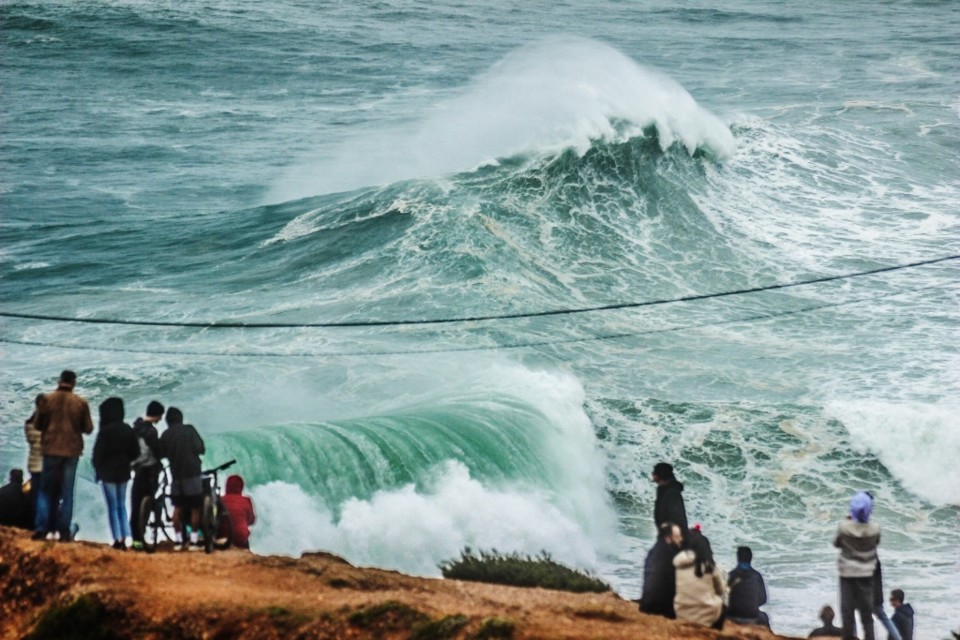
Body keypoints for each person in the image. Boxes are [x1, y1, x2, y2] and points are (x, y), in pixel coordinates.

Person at [33, 370, 94, 542]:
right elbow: (88, 428)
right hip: (71, 452)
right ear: (73, 383)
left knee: (46, 491)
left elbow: (37, 425)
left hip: (51, 450)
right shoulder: (80, 403)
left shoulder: (47, 400)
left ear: (59, 381)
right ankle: (63, 532)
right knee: (67, 493)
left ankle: (42, 529)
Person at [92, 397, 140, 550]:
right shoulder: (127, 429)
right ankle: (128, 537)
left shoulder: (104, 431)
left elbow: (97, 456)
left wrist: (98, 470)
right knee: (121, 506)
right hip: (124, 472)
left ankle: (117, 539)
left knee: (112, 507)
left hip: (108, 474)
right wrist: (126, 461)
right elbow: (136, 452)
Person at [834, 491, 880, 640]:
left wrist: (848, 522)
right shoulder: (875, 529)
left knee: (847, 614)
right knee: (867, 616)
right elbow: (876, 543)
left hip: (847, 575)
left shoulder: (843, 527)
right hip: (866, 575)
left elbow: (836, 543)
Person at [159, 407, 205, 549]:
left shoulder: (166, 435)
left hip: (176, 475)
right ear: (181, 418)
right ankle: (193, 541)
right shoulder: (189, 430)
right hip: (192, 474)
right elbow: (201, 449)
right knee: (195, 508)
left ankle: (178, 541)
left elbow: (161, 453)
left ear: (167, 421)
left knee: (177, 509)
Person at [673, 526, 726, 630]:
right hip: (704, 619)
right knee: (722, 604)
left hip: (679, 612)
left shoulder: (677, 564)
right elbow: (720, 591)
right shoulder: (711, 568)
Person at [130, 401, 165, 550]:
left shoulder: (135, 427)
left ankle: (136, 540)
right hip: (150, 470)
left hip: (137, 469)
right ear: (157, 415)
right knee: (150, 500)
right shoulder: (151, 431)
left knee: (135, 505)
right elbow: (157, 451)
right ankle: (151, 524)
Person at [639, 521, 683, 618]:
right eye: (677, 537)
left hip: (646, 605)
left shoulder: (652, 552)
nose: (680, 539)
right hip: (663, 609)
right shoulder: (671, 555)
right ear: (668, 539)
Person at [727, 546, 770, 629]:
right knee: (765, 617)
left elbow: (723, 598)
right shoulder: (757, 576)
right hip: (753, 616)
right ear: (751, 558)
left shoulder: (730, 575)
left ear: (738, 558)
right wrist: (750, 604)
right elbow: (763, 600)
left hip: (732, 615)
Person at [24, 394, 46, 525]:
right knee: (46, 496)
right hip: (46, 464)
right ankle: (43, 524)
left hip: (33, 463)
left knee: (35, 495)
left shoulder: (29, 423)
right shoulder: (47, 423)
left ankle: (35, 523)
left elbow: (30, 441)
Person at [652, 462, 688, 536]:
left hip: (672, 537)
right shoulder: (664, 490)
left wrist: (672, 537)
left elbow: (677, 517)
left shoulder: (672, 493)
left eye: (654, 472)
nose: (652, 474)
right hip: (667, 535)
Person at [221, 474, 256, 549]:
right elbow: (251, 521)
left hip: (223, 537)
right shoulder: (246, 500)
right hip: (240, 538)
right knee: (243, 537)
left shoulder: (220, 500)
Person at [873, 560, 901, 640]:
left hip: (868, 595)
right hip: (877, 596)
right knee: (883, 617)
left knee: (857, 616)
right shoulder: (874, 559)